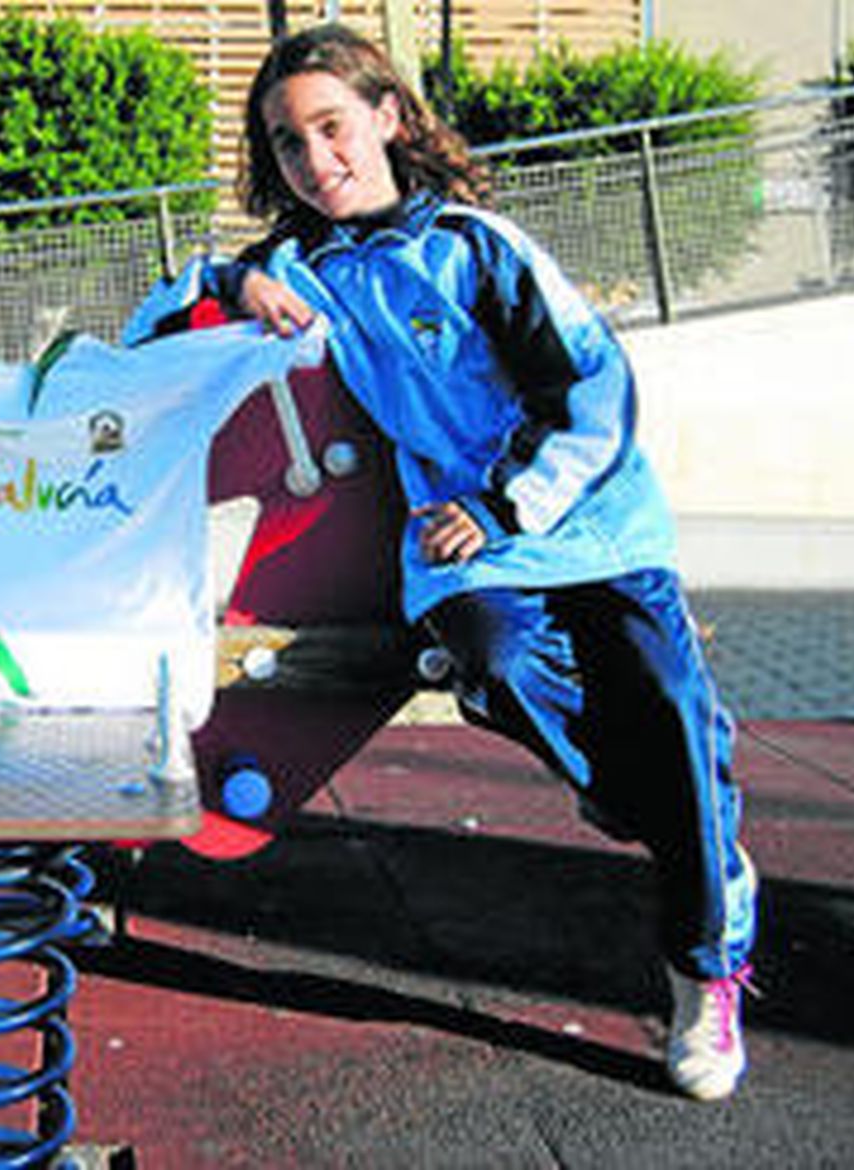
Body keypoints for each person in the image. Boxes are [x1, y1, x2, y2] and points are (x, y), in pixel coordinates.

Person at [200, 23, 758, 1101]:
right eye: (285, 144)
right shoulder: (303, 268)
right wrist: (236, 276)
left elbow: (596, 394)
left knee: (669, 706)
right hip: (461, 548)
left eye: (332, 128)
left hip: (585, 516)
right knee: (488, 655)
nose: (316, 160)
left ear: (388, 120)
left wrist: (505, 504)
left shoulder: (474, 246)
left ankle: (704, 967)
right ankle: (647, 797)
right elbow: (169, 309)